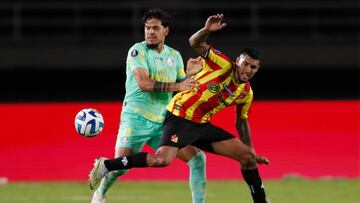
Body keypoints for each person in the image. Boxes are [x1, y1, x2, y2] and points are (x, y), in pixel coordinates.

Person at [89, 13, 271, 203]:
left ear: (165, 30)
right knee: (152, 162)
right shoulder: (138, 51)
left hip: (195, 123)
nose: (248, 70)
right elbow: (149, 80)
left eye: (253, 68)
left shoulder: (244, 92)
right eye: (245, 64)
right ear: (238, 61)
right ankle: (107, 168)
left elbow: (241, 121)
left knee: (243, 158)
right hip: (168, 117)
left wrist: (251, 149)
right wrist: (207, 30)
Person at [90, 8, 207, 203]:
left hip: (163, 121)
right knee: (120, 167)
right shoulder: (138, 51)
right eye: (147, 28)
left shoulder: (175, 56)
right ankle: (99, 194)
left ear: (165, 31)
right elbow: (144, 84)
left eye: (155, 28)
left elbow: (182, 89)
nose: (150, 32)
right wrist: (179, 84)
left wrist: (191, 75)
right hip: (135, 117)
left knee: (197, 159)